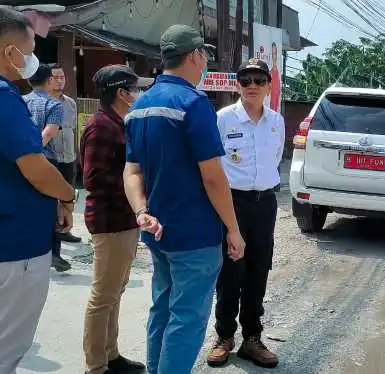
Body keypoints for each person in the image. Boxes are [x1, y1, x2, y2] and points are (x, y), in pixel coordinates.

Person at [123, 24, 246, 373]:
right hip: (194, 235)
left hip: (159, 232)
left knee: (162, 308)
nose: (204, 61)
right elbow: (213, 178)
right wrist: (233, 230)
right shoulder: (194, 104)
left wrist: (141, 211)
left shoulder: (139, 106)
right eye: (204, 54)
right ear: (193, 55)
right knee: (187, 317)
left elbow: (131, 173)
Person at [0, 5, 75, 374]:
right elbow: (35, 166)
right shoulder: (3, 98)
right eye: (29, 51)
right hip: (15, 246)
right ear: (10, 53)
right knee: (6, 348)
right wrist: (67, 195)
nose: (32, 61)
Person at [207, 58, 284, 369]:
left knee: (258, 270)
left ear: (268, 86)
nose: (252, 86)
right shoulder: (223, 119)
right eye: (245, 80)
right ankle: (225, 337)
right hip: (232, 204)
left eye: (259, 80)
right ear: (237, 85)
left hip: (265, 204)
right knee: (230, 272)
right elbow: (212, 166)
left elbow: (275, 158)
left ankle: (252, 338)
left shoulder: (277, 121)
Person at [81, 65, 153, 374]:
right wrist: (133, 183)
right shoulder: (102, 126)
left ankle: (111, 355)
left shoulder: (119, 123)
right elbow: (93, 179)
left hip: (124, 220)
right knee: (103, 296)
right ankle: (96, 366)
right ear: (122, 93)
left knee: (115, 292)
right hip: (109, 221)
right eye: (135, 89)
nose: (139, 94)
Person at [24, 63, 76, 272]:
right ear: (49, 81)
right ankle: (50, 254)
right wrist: (35, 151)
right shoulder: (53, 105)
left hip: (21, 159)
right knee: (51, 208)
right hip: (46, 160)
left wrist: (24, 152)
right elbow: (49, 133)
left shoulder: (21, 101)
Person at [48, 63, 83, 245]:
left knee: (68, 195)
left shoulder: (70, 103)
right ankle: (52, 235)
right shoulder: (42, 102)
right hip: (51, 157)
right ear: (48, 79)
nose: (60, 81)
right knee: (51, 199)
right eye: (56, 77)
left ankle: (65, 228)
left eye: (62, 77)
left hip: (68, 156)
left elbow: (73, 130)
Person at [269, 42, 281, 112]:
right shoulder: (273, 70)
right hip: (273, 86)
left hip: (276, 86)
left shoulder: (275, 69)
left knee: (275, 103)